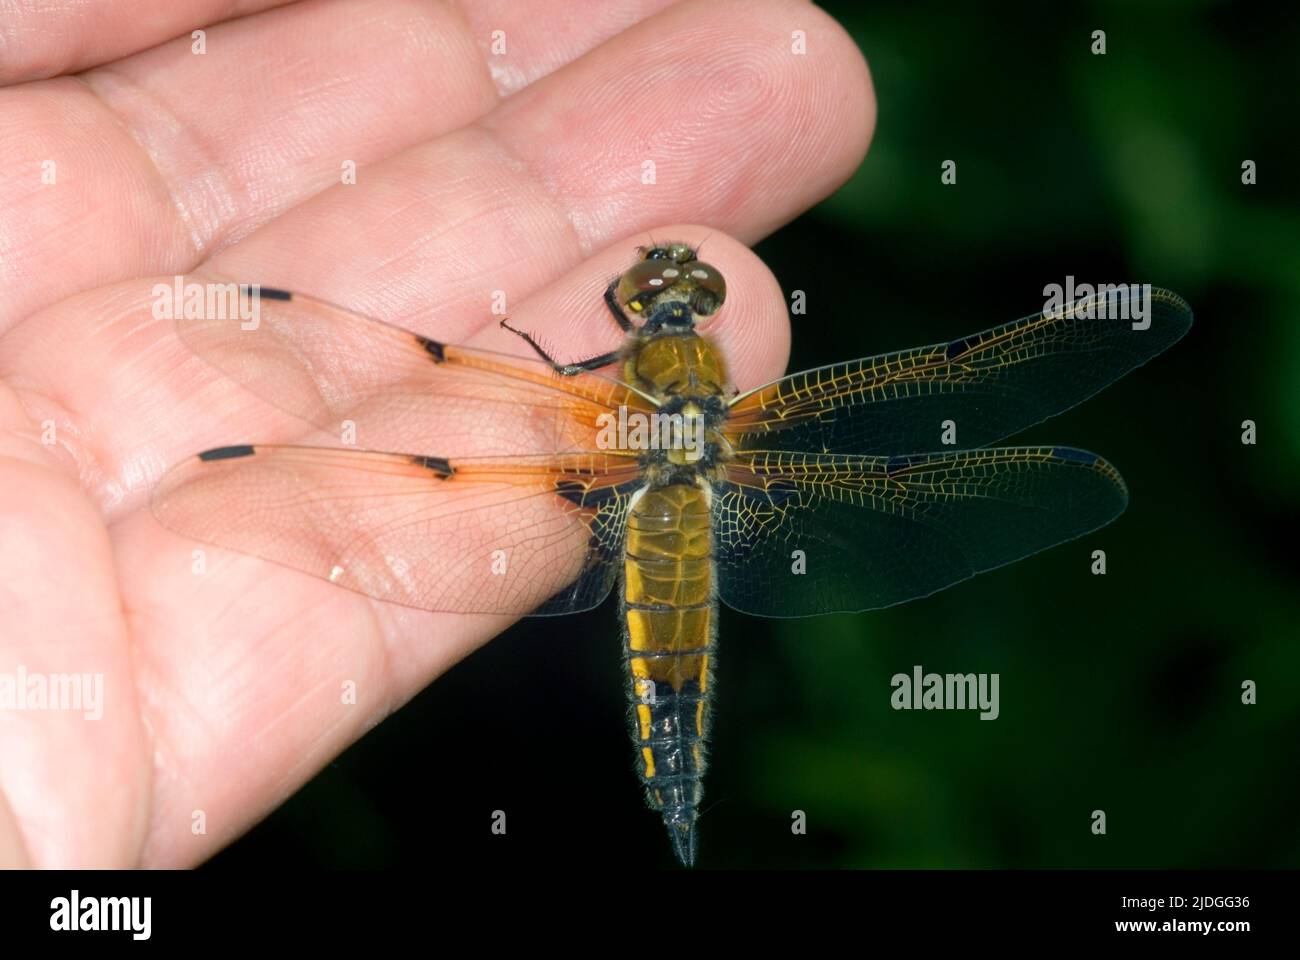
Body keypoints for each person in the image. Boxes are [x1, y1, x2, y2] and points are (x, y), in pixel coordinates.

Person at [0, 0, 874, 867]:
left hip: (633, 500)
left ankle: (675, 796)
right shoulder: (706, 392)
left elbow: (556, 385)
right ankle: (681, 797)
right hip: (678, 520)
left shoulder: (616, 392)